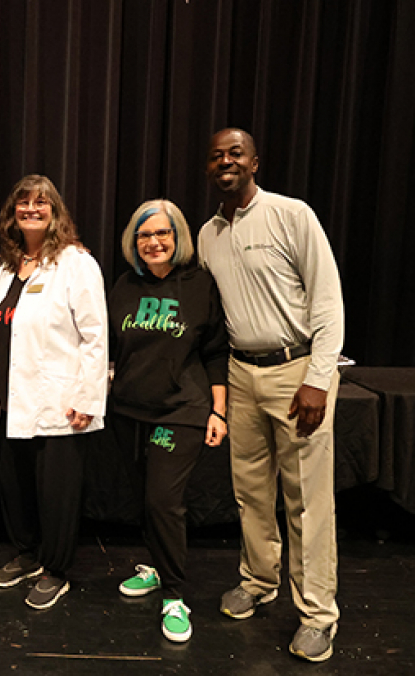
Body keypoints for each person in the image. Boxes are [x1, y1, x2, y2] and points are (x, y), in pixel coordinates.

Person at [198, 128, 344, 662]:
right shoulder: (208, 234)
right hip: (242, 372)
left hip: (295, 369)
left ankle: (318, 615)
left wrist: (318, 379)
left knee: (307, 500)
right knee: (251, 490)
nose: (226, 161)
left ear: (255, 162)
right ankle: (259, 581)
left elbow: (327, 301)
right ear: (208, 168)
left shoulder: (291, 214)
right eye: (217, 156)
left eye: (235, 153)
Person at [108, 199, 229, 642]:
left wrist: (218, 411)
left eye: (163, 233)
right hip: (128, 409)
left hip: (181, 410)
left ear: (178, 237)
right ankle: (158, 568)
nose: (154, 242)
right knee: (145, 499)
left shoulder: (199, 285)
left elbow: (215, 352)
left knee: (164, 501)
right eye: (144, 234)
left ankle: (175, 595)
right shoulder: (124, 285)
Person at [0, 175, 108, 610]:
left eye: (41, 203)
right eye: (23, 203)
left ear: (55, 212)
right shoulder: (7, 266)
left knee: (56, 494)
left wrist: (88, 398)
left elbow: (96, 335)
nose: (31, 209)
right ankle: (27, 554)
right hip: (9, 403)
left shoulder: (76, 263)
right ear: (12, 213)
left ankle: (55, 569)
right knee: (16, 489)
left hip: (59, 404)